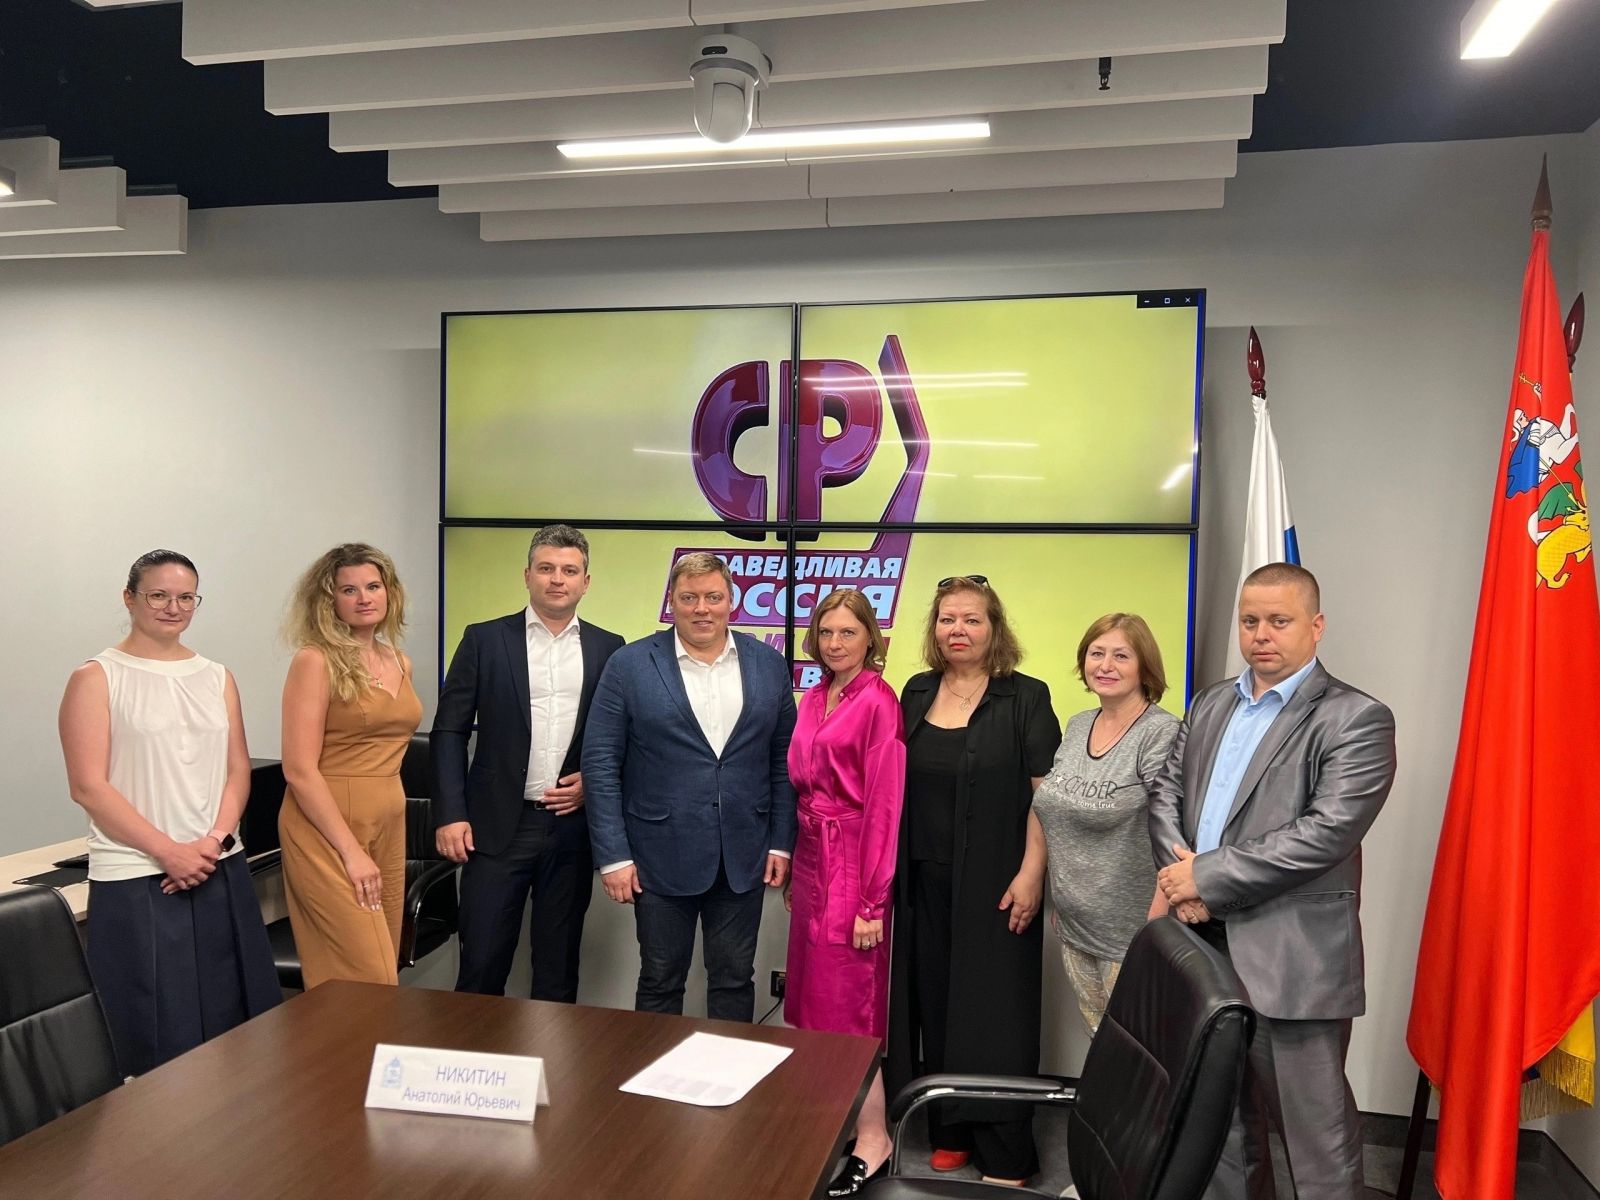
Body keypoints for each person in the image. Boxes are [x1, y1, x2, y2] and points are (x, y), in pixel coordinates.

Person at [1149, 563, 1396, 1200]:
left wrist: (1203, 878)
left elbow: (1325, 833)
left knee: (1316, 1142)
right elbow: (1166, 793)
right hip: (1200, 944)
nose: (1261, 634)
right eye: (1250, 621)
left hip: (1291, 958)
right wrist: (1182, 886)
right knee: (1220, 1130)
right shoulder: (1210, 703)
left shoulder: (1356, 718)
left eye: (1279, 621)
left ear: (1316, 626)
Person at [59, 549, 281, 1075]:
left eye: (185, 597)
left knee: (238, 1033)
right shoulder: (97, 677)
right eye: (158, 595)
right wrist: (168, 851)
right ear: (129, 597)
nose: (172, 607)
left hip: (217, 863)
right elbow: (88, 786)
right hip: (139, 873)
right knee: (157, 1038)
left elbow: (238, 770)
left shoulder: (217, 676)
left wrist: (215, 840)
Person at [887, 575, 1061, 1187]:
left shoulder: (1026, 697)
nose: (957, 629)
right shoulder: (915, 691)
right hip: (921, 883)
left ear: (994, 628)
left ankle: (1006, 1151)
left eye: (971, 619)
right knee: (934, 1005)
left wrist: (1032, 873)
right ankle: (950, 1132)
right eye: (947, 619)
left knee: (995, 1015)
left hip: (998, 883)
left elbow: (1048, 800)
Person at [583, 551, 797, 1021]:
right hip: (657, 855)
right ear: (672, 602)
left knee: (735, 979)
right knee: (660, 980)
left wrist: (781, 843)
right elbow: (600, 763)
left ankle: (731, 1070)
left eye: (713, 597)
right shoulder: (629, 664)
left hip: (744, 855)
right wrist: (614, 856)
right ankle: (655, 1071)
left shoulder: (768, 664)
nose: (702, 608)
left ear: (731, 601)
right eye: (689, 598)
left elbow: (784, 761)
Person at [431, 524, 624, 1001]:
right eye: (546, 568)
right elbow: (449, 731)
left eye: (569, 571)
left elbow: (623, 739)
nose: (557, 579)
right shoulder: (483, 639)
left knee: (558, 969)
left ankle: (550, 1054)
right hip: (496, 827)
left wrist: (593, 784)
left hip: (571, 830)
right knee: (481, 964)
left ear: (586, 582)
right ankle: (472, 1051)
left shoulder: (610, 648)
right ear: (527, 575)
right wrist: (451, 814)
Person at [783, 590, 906, 1197]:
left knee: (849, 1010)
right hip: (813, 862)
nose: (835, 643)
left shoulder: (880, 702)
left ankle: (874, 1137)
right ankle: (827, 1129)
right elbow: (803, 788)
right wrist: (797, 869)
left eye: (848, 632)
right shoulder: (813, 695)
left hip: (856, 868)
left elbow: (884, 807)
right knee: (809, 1005)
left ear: (870, 638)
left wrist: (871, 904)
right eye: (827, 632)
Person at [279, 543, 422, 988]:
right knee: (365, 977)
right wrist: (351, 852)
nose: (364, 598)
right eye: (349, 590)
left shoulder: (400, 660)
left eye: (373, 586)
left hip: (389, 820)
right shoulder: (315, 660)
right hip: (328, 828)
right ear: (329, 600)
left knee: (385, 966)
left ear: (389, 592)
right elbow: (299, 769)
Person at [1033, 613, 1178, 1036]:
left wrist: (1157, 925)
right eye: (1097, 654)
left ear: (1144, 666)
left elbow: (1175, 829)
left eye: (1121, 656)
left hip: (1132, 934)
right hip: (1076, 927)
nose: (1106, 666)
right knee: (1102, 1041)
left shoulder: (1160, 733)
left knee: (1138, 1048)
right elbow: (1053, 808)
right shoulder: (1079, 725)